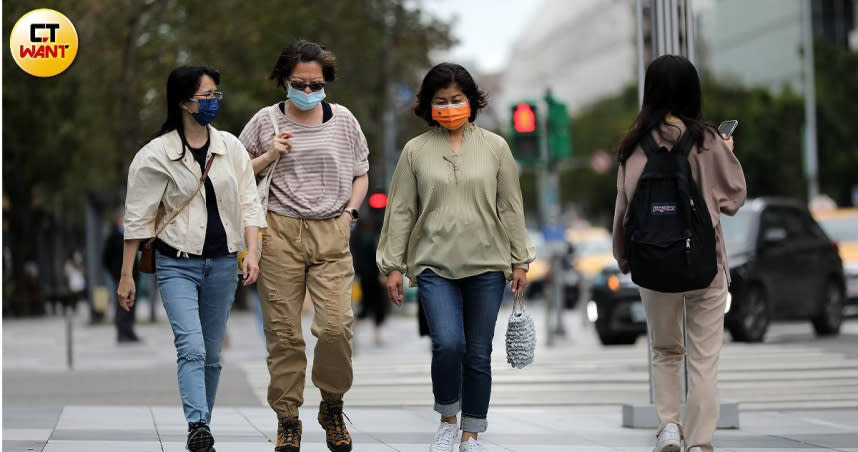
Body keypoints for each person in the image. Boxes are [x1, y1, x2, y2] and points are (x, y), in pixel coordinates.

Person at [376, 62, 535, 452]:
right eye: (441, 101)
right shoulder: (414, 151)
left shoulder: (496, 147)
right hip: (433, 263)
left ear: (471, 101)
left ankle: (471, 434)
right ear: (429, 106)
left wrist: (520, 259)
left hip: (487, 263)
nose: (449, 107)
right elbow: (401, 210)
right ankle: (448, 420)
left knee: (479, 352)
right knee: (448, 343)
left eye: (456, 100)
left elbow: (510, 206)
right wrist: (392, 265)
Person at [119, 65, 265, 452]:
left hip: (222, 264)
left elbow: (250, 203)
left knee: (213, 356)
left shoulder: (230, 147)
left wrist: (252, 252)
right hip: (175, 264)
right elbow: (137, 218)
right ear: (184, 102)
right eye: (207, 96)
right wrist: (126, 276)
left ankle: (202, 428)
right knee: (193, 348)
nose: (214, 102)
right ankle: (197, 424)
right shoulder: (156, 155)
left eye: (217, 94)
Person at [239, 40, 369, 452]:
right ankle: (288, 419)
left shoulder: (344, 120)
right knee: (283, 335)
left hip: (331, 230)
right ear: (284, 81)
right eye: (300, 83)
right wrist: (268, 155)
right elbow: (237, 177)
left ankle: (332, 404)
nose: (309, 91)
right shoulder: (264, 121)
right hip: (279, 231)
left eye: (317, 83)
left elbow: (361, 173)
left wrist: (350, 214)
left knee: (335, 328)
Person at [612, 55, 746, 452]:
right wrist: (727, 151)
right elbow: (735, 197)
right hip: (705, 263)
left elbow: (624, 205)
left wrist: (624, 256)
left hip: (653, 261)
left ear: (649, 91)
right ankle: (700, 440)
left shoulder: (633, 143)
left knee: (666, 350)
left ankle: (669, 428)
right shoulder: (707, 140)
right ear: (693, 91)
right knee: (704, 359)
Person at [102, 209, 140, 343]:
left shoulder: (132, 235)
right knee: (121, 304)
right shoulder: (113, 236)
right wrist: (115, 273)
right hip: (119, 277)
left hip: (134, 275)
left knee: (132, 304)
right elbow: (105, 258)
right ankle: (121, 332)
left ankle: (129, 331)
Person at [352, 217, 390, 346]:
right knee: (369, 306)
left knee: (372, 307)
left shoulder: (363, 239)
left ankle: (373, 334)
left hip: (370, 278)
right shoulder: (365, 240)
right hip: (369, 278)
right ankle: (357, 332)